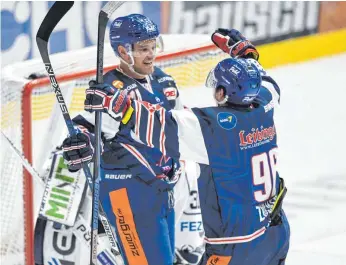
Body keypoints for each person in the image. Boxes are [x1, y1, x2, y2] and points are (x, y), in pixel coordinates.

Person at [84, 29, 290, 264]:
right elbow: (267, 82)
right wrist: (246, 55)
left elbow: (159, 127)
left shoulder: (211, 129)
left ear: (221, 92)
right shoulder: (266, 104)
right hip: (275, 234)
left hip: (237, 246)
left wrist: (117, 103)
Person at [61, 13, 205, 265]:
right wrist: (83, 141)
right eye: (143, 49)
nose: (151, 54)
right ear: (123, 51)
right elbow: (89, 128)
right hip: (129, 194)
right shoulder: (108, 89)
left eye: (152, 47)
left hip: (164, 189)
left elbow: (179, 127)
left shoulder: (164, 81)